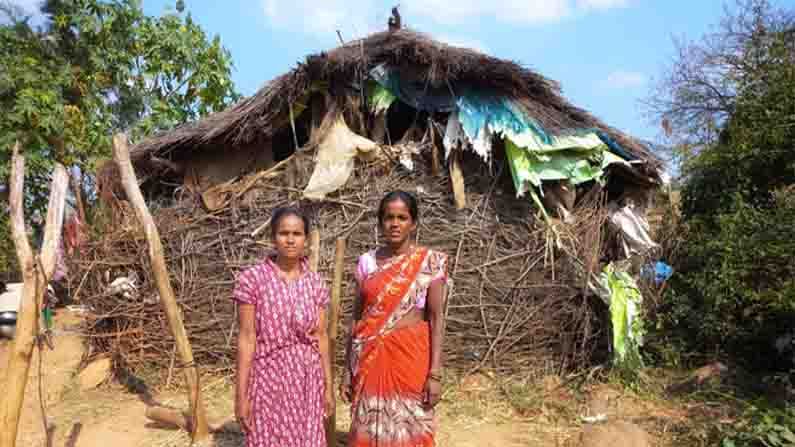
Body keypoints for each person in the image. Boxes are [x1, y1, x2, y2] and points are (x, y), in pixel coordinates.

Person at [341, 190, 449, 446]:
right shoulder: (367, 262)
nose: (395, 223)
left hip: (411, 359)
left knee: (410, 428)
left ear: (413, 222)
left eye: (402, 217)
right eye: (389, 217)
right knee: (369, 427)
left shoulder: (430, 262)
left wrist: (434, 374)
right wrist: (347, 369)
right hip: (370, 358)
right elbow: (356, 318)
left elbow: (436, 319)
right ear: (380, 222)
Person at [233, 207, 334, 447]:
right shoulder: (252, 279)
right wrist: (241, 395)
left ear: (306, 239)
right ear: (273, 237)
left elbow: (321, 337)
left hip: (307, 380)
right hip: (268, 379)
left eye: (297, 234)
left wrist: (328, 386)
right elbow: (247, 338)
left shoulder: (315, 283)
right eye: (283, 233)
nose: (290, 239)